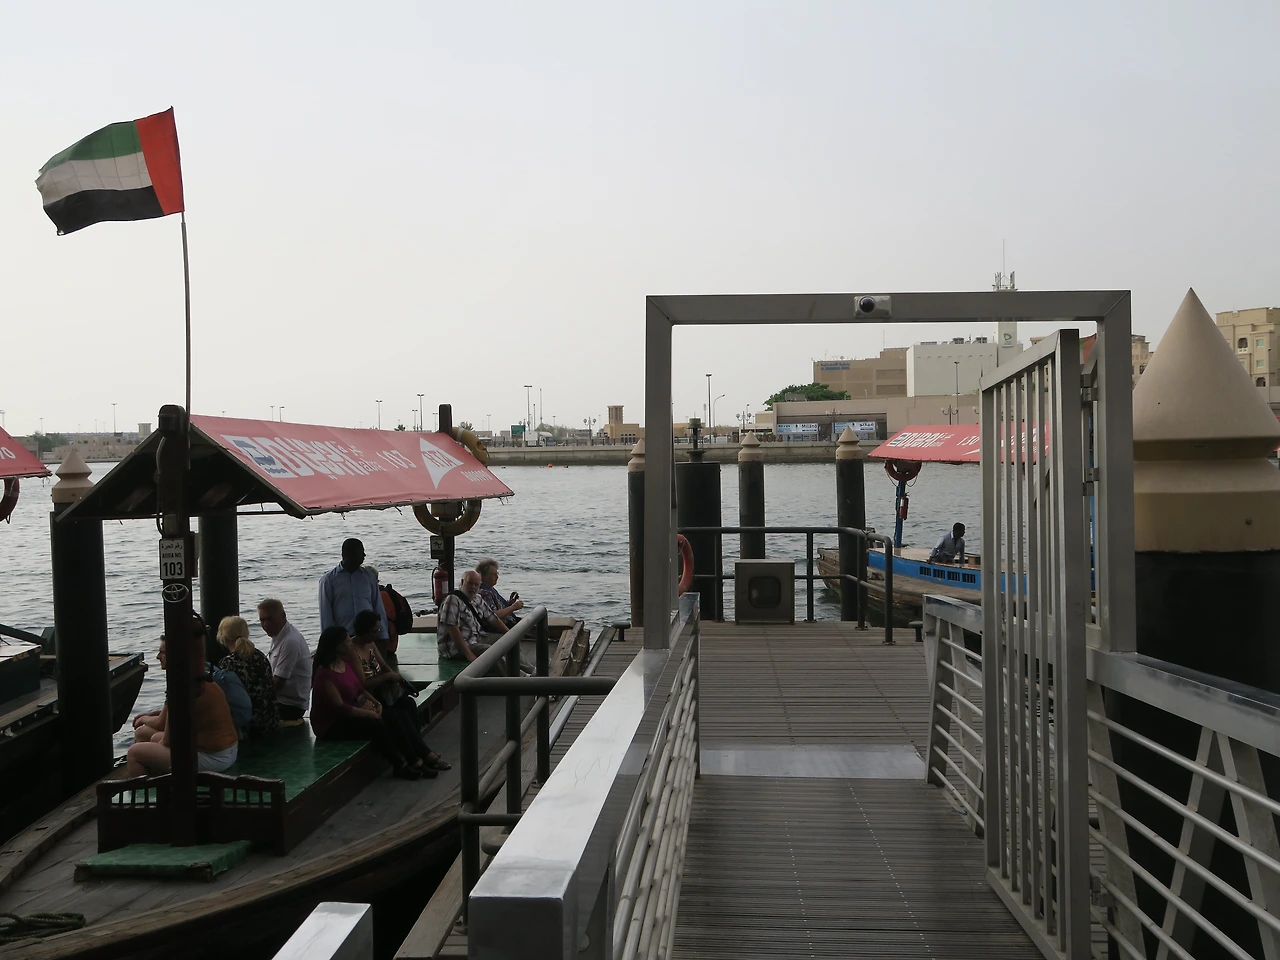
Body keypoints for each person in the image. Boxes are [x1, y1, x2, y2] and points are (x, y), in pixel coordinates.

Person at [125, 617, 239, 776]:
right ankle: (160, 776)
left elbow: (166, 739)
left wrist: (145, 721)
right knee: (145, 734)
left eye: (162, 653)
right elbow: (170, 717)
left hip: (212, 758)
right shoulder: (199, 677)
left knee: (135, 752)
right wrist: (152, 721)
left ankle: (149, 788)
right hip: (228, 750)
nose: (158, 656)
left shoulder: (182, 685)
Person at [310, 625, 425, 781]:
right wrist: (368, 714)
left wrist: (377, 704)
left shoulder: (344, 664)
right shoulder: (324, 674)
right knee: (377, 725)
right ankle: (400, 765)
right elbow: (340, 707)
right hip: (332, 725)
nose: (350, 644)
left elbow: (360, 688)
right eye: (347, 641)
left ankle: (414, 759)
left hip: (352, 712)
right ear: (337, 647)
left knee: (393, 715)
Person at [350, 610, 449, 774]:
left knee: (408, 704)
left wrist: (394, 679)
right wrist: (387, 677)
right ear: (364, 631)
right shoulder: (353, 650)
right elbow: (363, 684)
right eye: (374, 631)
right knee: (396, 715)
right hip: (368, 696)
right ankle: (419, 757)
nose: (378, 634)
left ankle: (418, 750)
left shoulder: (371, 644)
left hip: (382, 692)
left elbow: (384, 666)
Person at [132, 613, 252, 743]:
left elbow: (163, 726)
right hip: (238, 729)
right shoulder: (205, 672)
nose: (157, 657)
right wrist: (151, 715)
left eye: (162, 652)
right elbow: (174, 712)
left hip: (218, 740)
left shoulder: (187, 680)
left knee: (143, 735)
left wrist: (143, 719)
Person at [216, 615, 280, 740]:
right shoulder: (260, 656)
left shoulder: (228, 663)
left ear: (224, 637)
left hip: (249, 727)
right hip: (271, 721)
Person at [319, 538, 388, 642]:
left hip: (369, 636)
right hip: (343, 638)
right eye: (361, 552)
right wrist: (329, 641)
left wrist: (383, 635)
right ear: (348, 554)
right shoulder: (329, 580)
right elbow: (326, 614)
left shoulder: (369, 577)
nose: (364, 555)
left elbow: (378, 607)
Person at [437, 570, 509, 665]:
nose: (473, 587)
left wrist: (510, 634)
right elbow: (452, 629)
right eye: (470, 583)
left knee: (508, 641)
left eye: (476, 585)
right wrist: (469, 654)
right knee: (490, 651)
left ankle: (527, 669)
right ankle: (517, 674)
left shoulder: (477, 599)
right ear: (462, 582)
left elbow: (493, 619)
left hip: (476, 638)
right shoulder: (453, 600)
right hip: (455, 647)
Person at [259, 598, 312, 724]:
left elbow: (279, 682)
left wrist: (255, 694)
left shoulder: (290, 641)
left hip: (290, 705)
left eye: (269, 619)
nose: (265, 624)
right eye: (262, 620)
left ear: (283, 616)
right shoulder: (279, 635)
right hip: (283, 700)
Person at [475, 558, 524, 629]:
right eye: (494, 574)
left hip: (510, 621)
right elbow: (493, 616)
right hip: (504, 627)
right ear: (484, 576)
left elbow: (498, 607)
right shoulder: (485, 593)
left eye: (497, 574)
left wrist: (509, 603)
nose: (497, 577)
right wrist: (513, 607)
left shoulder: (490, 589)